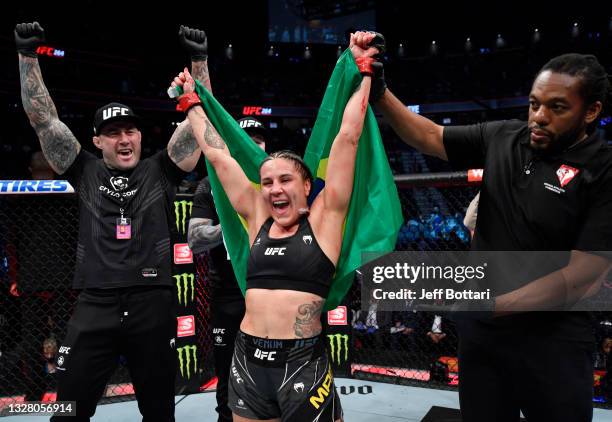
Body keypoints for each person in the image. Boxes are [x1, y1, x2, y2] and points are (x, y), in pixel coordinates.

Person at [372, 51, 612, 421]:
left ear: (591, 112)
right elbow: (429, 135)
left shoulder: (603, 169)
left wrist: (496, 304)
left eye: (557, 107)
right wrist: (380, 92)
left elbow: (584, 272)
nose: (539, 116)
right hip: (484, 336)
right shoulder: (505, 136)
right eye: (534, 104)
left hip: (554, 341)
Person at [172, 30, 379, 422]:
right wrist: (191, 103)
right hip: (247, 359)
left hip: (302, 362)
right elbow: (219, 160)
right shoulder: (256, 221)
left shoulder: (325, 219)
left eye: (284, 180)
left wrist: (362, 68)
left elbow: (348, 138)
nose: (274, 189)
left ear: (305, 186)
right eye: (267, 182)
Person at [15, 22, 210, 421]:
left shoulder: (160, 169)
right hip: (95, 305)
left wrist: (199, 61)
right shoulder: (82, 168)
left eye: (131, 130)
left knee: (158, 412)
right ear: (98, 141)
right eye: (113, 133)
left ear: (140, 135)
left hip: (151, 302)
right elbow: (43, 120)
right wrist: (27, 57)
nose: (124, 139)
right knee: (67, 411)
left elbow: (196, 124)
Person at [187, 117, 268, 422]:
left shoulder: (276, 182)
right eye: (245, 140)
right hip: (229, 295)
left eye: (258, 140)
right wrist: (233, 227)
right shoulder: (211, 185)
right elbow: (194, 239)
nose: (253, 146)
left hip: (271, 293)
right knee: (227, 376)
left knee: (276, 374)